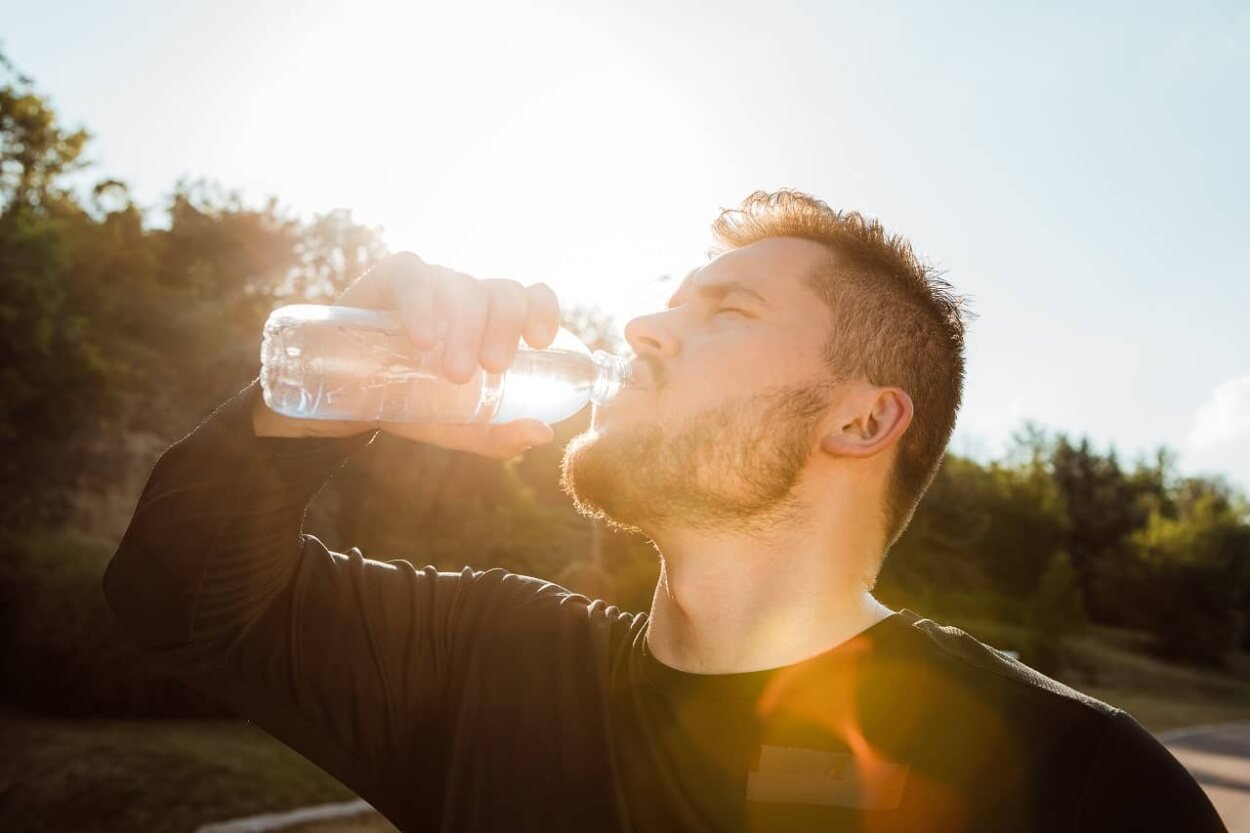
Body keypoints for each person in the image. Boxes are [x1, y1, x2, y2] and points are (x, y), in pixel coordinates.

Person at [103, 191, 1226, 832]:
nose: (642, 328)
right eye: (665, 301)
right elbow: (179, 593)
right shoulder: (483, 662)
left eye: (724, 308)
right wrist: (338, 381)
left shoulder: (1077, 781)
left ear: (858, 421)